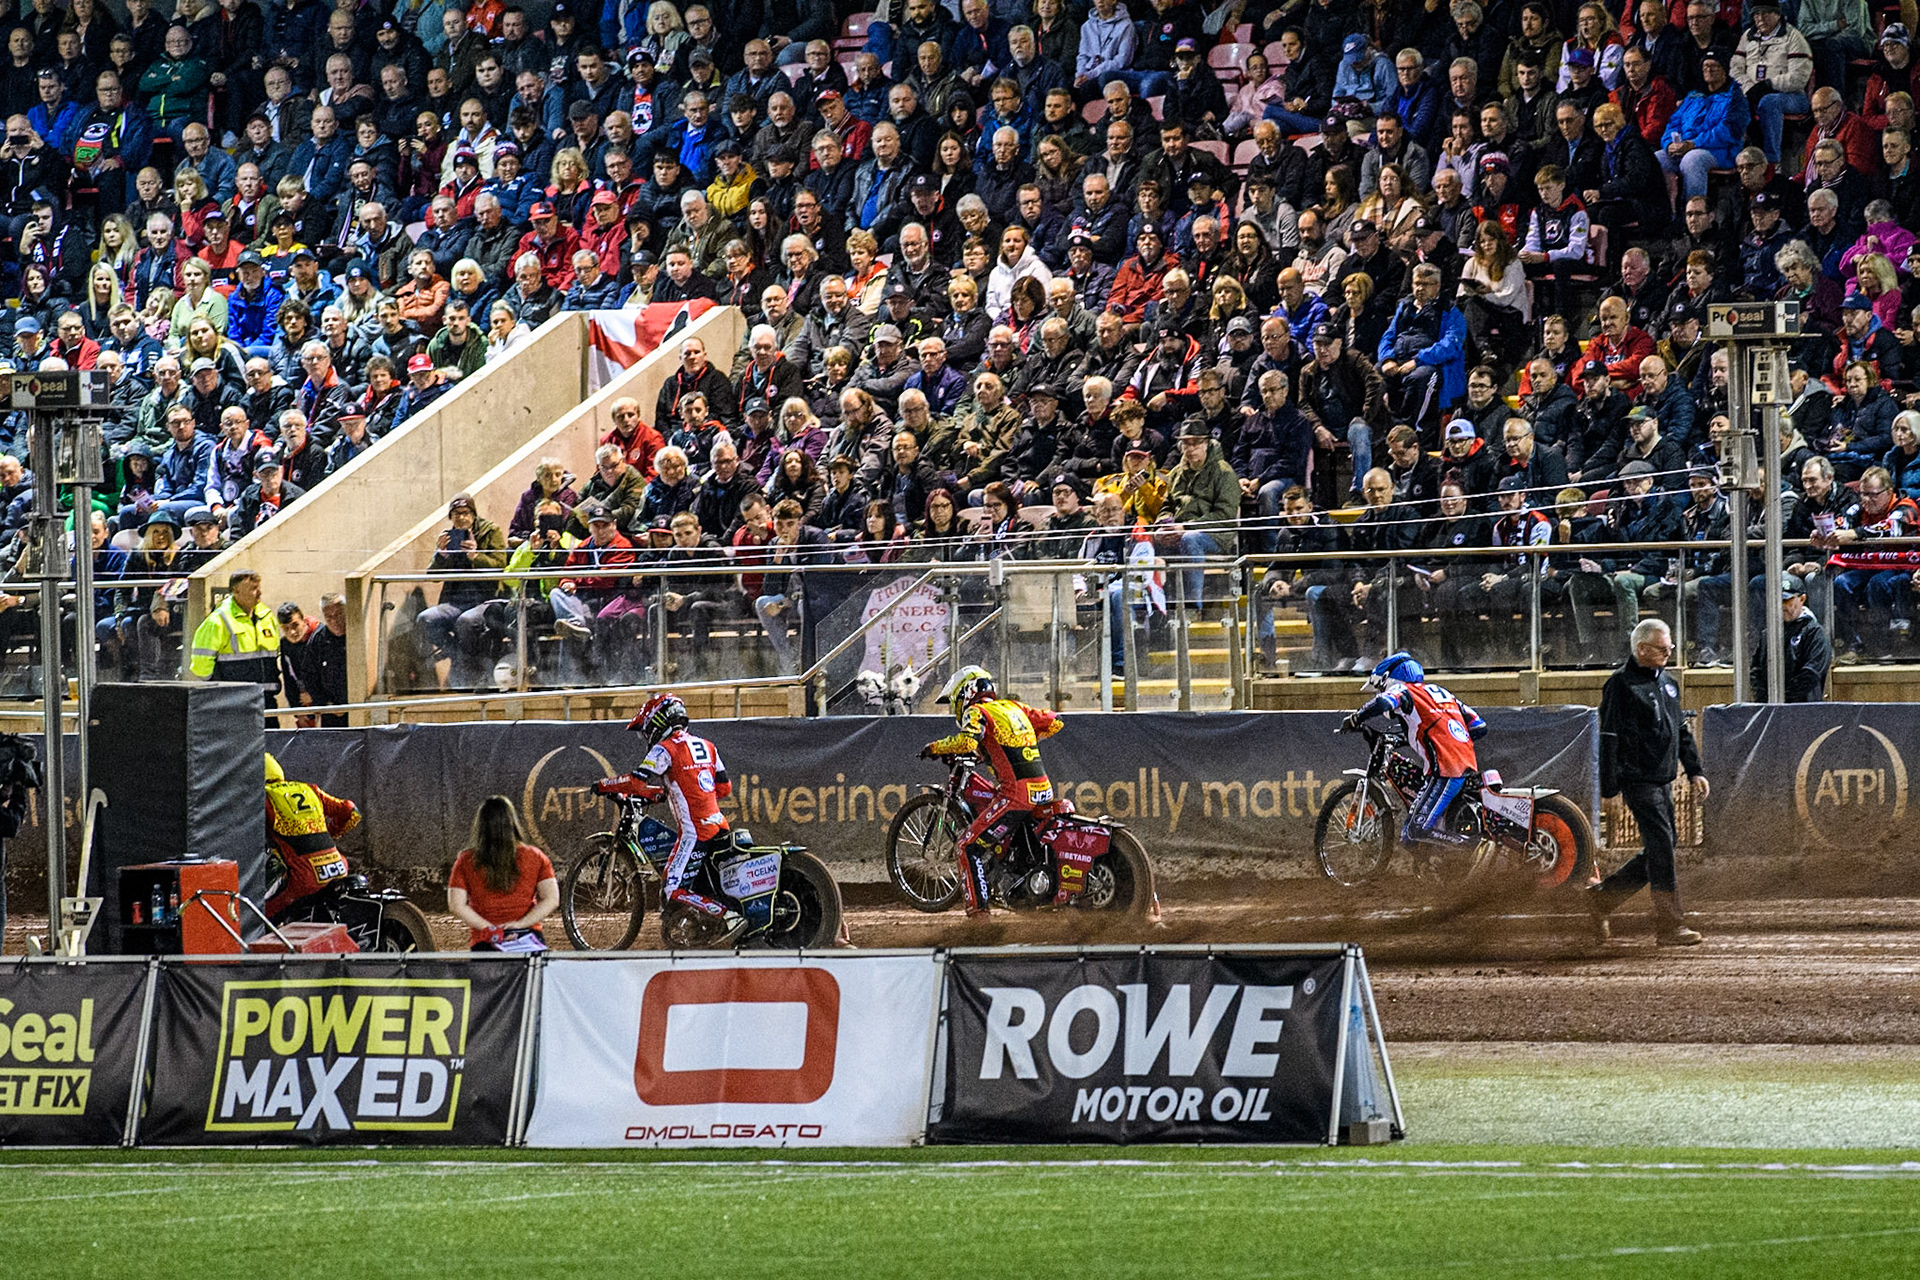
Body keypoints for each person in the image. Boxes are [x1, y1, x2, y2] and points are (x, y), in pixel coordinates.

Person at [1588, 617, 1707, 946]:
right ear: (1641, 649)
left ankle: (1601, 899)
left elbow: (1680, 730)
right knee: (1661, 847)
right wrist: (1609, 789)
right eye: (1662, 648)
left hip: (1662, 779)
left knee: (1661, 848)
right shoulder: (1620, 685)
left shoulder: (1669, 683)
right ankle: (1670, 925)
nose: (1668, 652)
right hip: (1637, 780)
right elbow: (1608, 737)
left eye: (1670, 647)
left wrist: (1694, 770)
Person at [592, 692, 746, 942]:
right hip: (719, 825)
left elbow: (636, 782)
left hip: (696, 832)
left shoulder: (665, 749)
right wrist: (676, 793)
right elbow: (724, 789)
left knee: (672, 888)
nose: (645, 736)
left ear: (658, 722)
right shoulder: (708, 746)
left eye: (645, 730)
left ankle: (728, 917)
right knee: (702, 885)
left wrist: (605, 784)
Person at [921, 663, 1062, 919]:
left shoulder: (978, 712)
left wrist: (935, 747)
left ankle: (979, 918)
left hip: (1016, 795)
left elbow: (965, 741)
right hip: (1043, 791)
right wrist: (1021, 740)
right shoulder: (1013, 707)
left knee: (966, 846)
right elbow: (1054, 723)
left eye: (956, 701)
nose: (956, 707)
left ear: (966, 693)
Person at [1342, 651, 1488, 848]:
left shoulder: (1404, 690)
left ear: (1387, 679)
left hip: (1446, 769)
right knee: (1408, 837)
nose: (1379, 692)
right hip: (1464, 762)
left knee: (1416, 829)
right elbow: (1479, 727)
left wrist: (1356, 717)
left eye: (1379, 687)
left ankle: (1470, 845)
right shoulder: (1439, 693)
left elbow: (1383, 702)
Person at [447, 794, 558, 950]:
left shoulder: (466, 860)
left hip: (485, 940)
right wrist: (520, 924)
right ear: (512, 823)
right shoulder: (536, 856)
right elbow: (552, 899)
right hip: (527, 936)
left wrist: (491, 929)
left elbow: (456, 905)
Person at [262, 751, 360, 919]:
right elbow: (351, 811)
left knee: (257, 915)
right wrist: (331, 833)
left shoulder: (262, 798)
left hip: (302, 878)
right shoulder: (309, 789)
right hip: (338, 867)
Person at [188, 568, 281, 703]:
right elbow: (200, 666)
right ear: (236, 591)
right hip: (233, 702)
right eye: (253, 589)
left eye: (259, 587)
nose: (259, 593)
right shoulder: (218, 621)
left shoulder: (266, 616)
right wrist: (221, 688)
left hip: (266, 699)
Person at [1752, 573, 1832, 703]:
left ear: (1802, 599)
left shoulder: (1814, 633)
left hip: (1802, 710)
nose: (1782, 605)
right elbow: (1756, 669)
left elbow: (1811, 674)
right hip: (1768, 709)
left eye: (1787, 600)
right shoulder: (1768, 633)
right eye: (1777, 600)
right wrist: (1763, 699)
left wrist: (1784, 699)